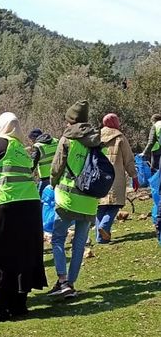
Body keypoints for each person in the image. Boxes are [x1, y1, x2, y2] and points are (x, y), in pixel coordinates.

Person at [0, 113, 47, 322]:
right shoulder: (23, 149)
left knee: (2, 253)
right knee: (25, 252)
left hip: (6, 204)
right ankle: (19, 303)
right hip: (31, 205)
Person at [49, 100, 100, 298]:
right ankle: (71, 282)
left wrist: (52, 184)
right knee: (79, 245)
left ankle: (62, 281)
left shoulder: (67, 139)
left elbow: (56, 167)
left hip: (68, 198)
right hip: (89, 200)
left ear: (71, 120)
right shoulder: (96, 140)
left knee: (58, 239)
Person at [96, 113, 138, 244]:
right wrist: (134, 176)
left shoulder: (95, 137)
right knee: (115, 204)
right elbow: (128, 159)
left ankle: (100, 238)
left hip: (98, 176)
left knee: (101, 206)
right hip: (115, 176)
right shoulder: (120, 137)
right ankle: (104, 226)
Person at [29, 128, 59, 196]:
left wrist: (27, 174)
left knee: (39, 198)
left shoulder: (38, 146)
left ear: (34, 138)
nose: (32, 142)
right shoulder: (56, 141)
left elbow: (32, 164)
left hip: (45, 178)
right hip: (58, 175)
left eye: (31, 140)